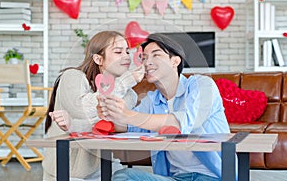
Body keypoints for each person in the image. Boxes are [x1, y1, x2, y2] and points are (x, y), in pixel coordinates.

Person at [97, 33, 234, 181]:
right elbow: (130, 126)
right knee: (123, 176)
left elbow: (180, 123)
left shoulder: (202, 85)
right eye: (144, 58)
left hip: (213, 177)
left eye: (156, 55)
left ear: (175, 61)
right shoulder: (152, 99)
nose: (147, 62)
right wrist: (110, 113)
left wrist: (126, 115)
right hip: (176, 178)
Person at [42, 31, 145, 181]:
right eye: (118, 51)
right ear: (98, 59)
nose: (126, 56)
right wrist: (125, 81)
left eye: (127, 51)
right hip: (68, 169)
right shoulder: (72, 77)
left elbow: (116, 124)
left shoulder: (128, 94)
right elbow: (81, 111)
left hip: (104, 164)